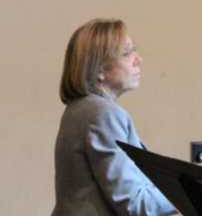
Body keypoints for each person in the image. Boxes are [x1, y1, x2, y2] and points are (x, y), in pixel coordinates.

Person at [52, 18, 176, 216]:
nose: (138, 60)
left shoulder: (80, 109)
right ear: (100, 69)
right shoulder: (102, 115)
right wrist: (193, 191)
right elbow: (135, 206)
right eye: (127, 54)